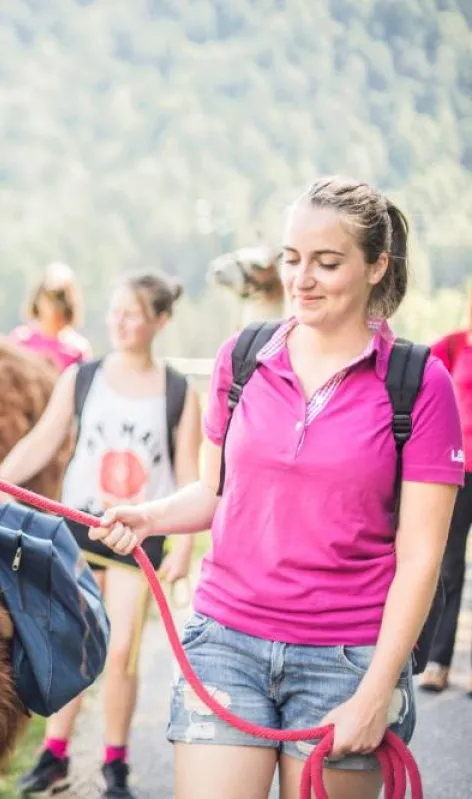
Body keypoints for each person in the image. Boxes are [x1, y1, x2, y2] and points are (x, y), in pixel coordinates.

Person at [90, 176, 464, 799]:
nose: (302, 279)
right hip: (226, 641)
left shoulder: (419, 383)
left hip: (347, 660)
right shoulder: (241, 358)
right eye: (292, 259)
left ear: (377, 266)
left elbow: (421, 559)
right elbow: (214, 491)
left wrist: (376, 693)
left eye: (327, 262)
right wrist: (152, 516)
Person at [0, 271, 202, 798]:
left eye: (135, 314)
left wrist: (182, 546)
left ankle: (115, 761)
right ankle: (55, 754)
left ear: (160, 321)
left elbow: (188, 475)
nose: (122, 322)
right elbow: (42, 441)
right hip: (79, 526)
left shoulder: (178, 391)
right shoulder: (83, 378)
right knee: (71, 639)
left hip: (138, 537)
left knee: (121, 651)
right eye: (116, 311)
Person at [417, 279, 472, 693]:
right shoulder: (453, 346)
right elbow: (412, 376)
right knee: (449, 568)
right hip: (461, 471)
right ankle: (438, 662)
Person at [11, 261, 94, 372]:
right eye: (49, 298)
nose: (54, 306)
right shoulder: (21, 341)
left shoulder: (77, 350)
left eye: (60, 298)